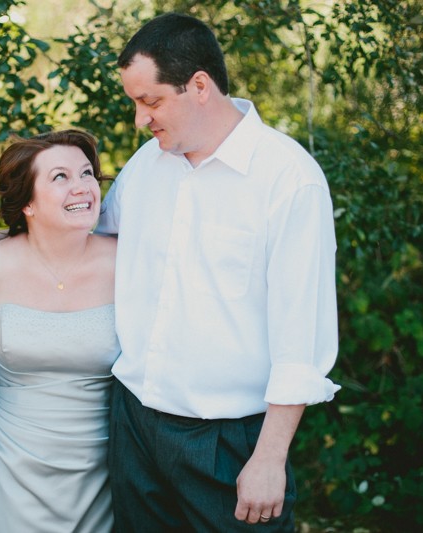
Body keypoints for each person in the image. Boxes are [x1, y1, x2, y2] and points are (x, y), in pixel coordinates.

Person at [96, 12, 341, 532]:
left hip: (228, 441)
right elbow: (83, 240)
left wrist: (270, 457)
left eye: (151, 100)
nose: (141, 119)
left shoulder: (289, 179)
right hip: (134, 424)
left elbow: (303, 337)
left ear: (200, 86)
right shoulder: (146, 165)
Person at [0, 129, 119, 532]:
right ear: (27, 202)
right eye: (60, 177)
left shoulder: (128, 260)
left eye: (87, 174)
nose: (83, 187)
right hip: (12, 464)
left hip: (104, 465)